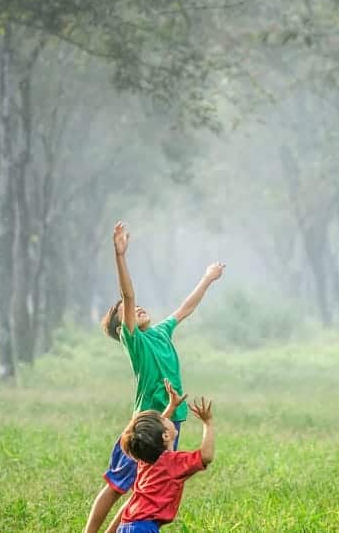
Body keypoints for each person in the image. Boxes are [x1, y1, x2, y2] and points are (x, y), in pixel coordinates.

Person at [83, 221, 225, 533]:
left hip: (171, 419)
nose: (137, 308)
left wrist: (207, 279)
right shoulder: (134, 340)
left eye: (135, 308)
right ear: (123, 325)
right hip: (145, 424)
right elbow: (128, 295)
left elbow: (185, 308)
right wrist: (121, 256)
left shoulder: (161, 332)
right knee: (118, 484)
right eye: (127, 311)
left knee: (147, 483)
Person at [114, 390, 215, 532]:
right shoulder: (173, 463)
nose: (166, 418)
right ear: (166, 435)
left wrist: (171, 406)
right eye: (164, 419)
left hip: (126, 526)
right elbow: (206, 456)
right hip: (144, 528)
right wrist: (208, 423)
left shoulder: (146, 460)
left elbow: (153, 434)